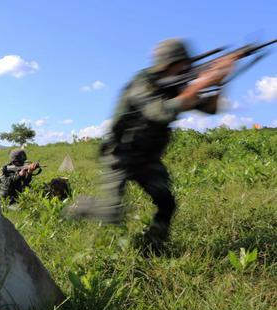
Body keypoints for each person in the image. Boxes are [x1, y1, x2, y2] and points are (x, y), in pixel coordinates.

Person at [65, 39, 238, 254]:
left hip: (147, 158)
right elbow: (160, 112)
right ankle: (80, 206)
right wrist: (203, 81)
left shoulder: (179, 85)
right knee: (112, 213)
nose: (187, 67)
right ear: (167, 63)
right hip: (120, 156)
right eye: (182, 63)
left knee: (167, 203)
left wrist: (220, 80)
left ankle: (152, 245)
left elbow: (211, 109)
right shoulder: (142, 82)